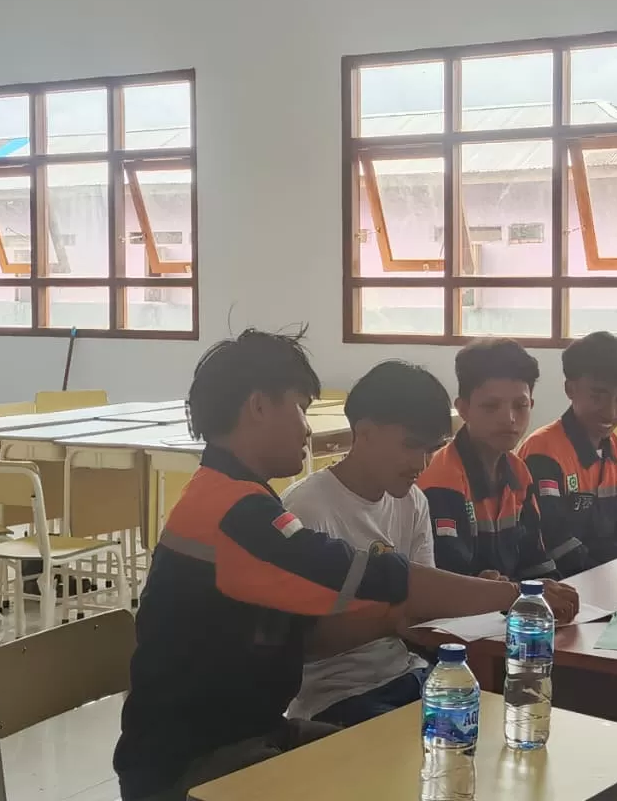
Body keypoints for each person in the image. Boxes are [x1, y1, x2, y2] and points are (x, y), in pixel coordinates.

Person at [113, 330, 552, 801]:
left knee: (417, 760)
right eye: (300, 407)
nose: (307, 429)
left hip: (251, 731)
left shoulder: (233, 494)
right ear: (258, 406)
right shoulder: (235, 513)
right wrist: (515, 595)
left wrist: (409, 611)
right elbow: (376, 577)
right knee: (397, 776)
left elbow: (328, 623)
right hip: (191, 765)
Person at [281, 360, 451, 726]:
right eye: (411, 446)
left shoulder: (413, 501)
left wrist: (477, 594)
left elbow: (422, 606)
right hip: (335, 696)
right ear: (365, 432)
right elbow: (299, 644)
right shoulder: (306, 508)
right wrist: (393, 618)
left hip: (406, 673)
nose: (422, 463)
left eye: (432, 449)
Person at [416, 338, 577, 616]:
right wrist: (510, 591)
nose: (509, 418)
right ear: (463, 409)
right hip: (460, 625)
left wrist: (554, 591)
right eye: (491, 406)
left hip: (508, 614)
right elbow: (448, 584)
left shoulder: (519, 472)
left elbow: (535, 562)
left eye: (520, 405)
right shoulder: (441, 481)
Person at [519, 331, 617, 577]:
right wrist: (614, 569)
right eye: (597, 396)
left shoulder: (614, 448)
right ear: (570, 389)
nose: (611, 412)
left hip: (609, 577)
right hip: (563, 584)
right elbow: (557, 545)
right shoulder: (543, 451)